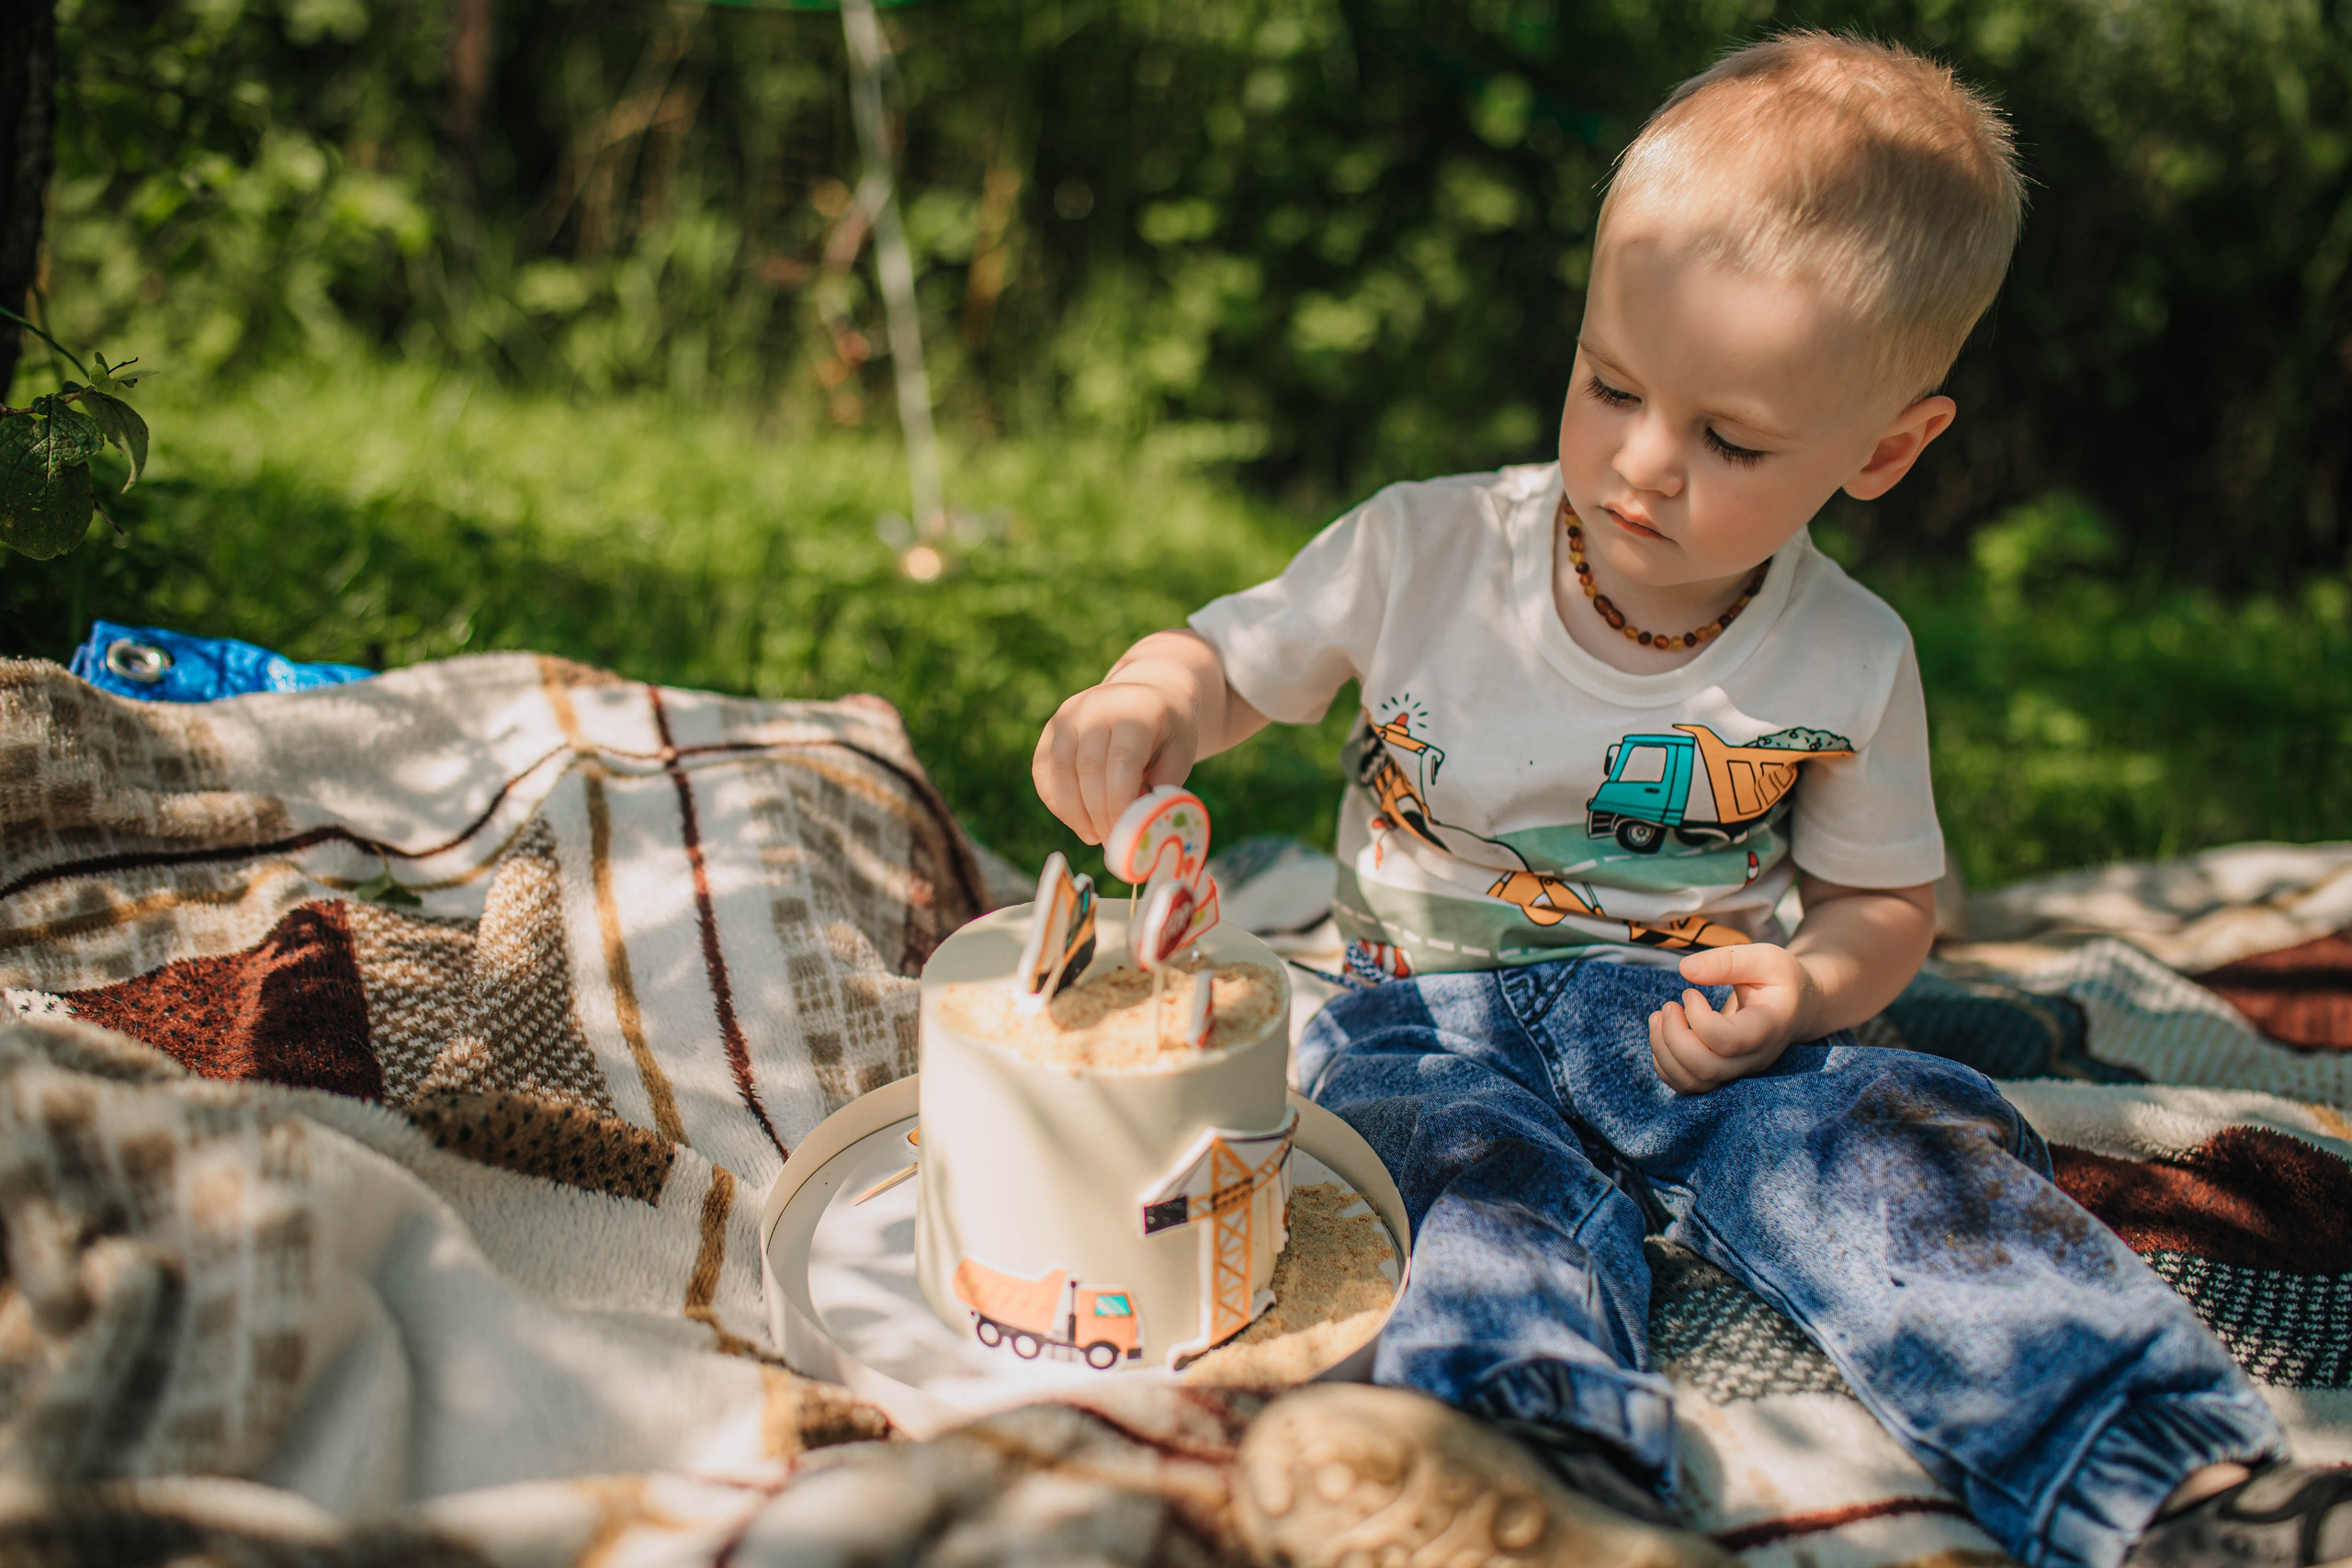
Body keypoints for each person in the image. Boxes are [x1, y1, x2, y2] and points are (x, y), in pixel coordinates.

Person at [1033, 30, 2352, 1568]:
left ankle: (2171, 1481)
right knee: (1445, 1169)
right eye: (1610, 386)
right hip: (1419, 1004)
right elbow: (1224, 664)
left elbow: (1886, 906)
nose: (1643, 464)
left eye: (1730, 438)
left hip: (1698, 1025)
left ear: (1888, 449)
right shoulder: (1423, 551)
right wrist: (1142, 702)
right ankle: (1515, 1461)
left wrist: (1804, 990)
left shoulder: (1849, 660)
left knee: (1883, 1151)